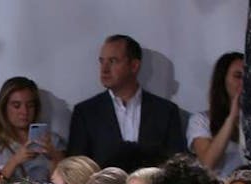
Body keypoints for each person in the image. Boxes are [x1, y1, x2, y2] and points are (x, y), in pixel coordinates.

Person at [67, 34, 186, 166]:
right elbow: (76, 169)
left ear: (134, 66)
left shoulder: (165, 111)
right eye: (102, 61)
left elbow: (177, 163)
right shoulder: (85, 112)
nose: (104, 69)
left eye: (112, 61)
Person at [0, 77, 66, 184]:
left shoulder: (52, 141)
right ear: (4, 107)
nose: (24, 112)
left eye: (30, 106)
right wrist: (14, 161)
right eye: (16, 106)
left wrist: (55, 157)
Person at [189, 52, 245, 177]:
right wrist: (231, 118)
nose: (244, 82)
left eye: (249, 76)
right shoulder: (200, 120)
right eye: (238, 76)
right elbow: (208, 164)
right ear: (222, 80)